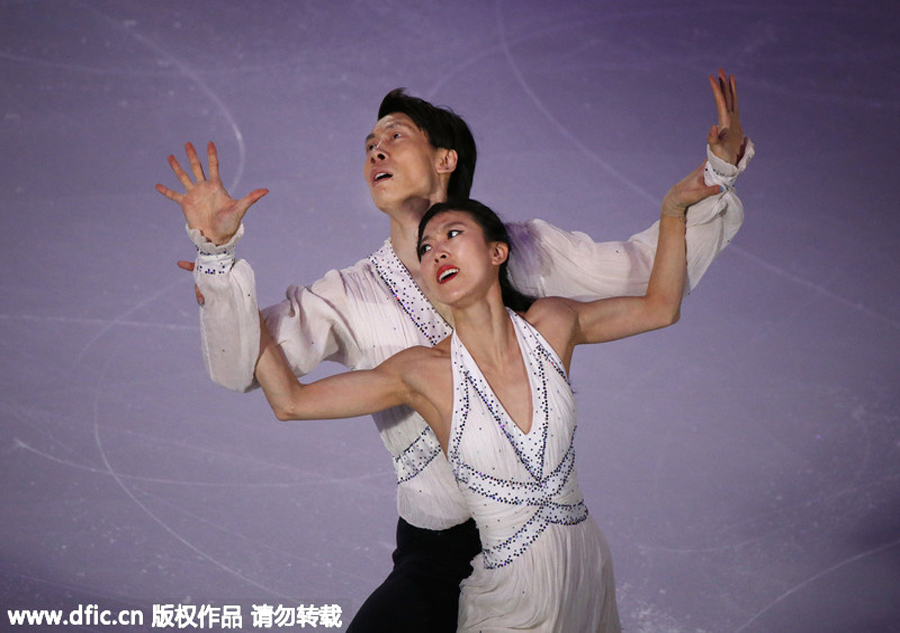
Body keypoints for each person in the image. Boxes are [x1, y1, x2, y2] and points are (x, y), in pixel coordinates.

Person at [157, 70, 752, 631]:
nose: (376, 152)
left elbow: (648, 284)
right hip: (441, 546)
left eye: (396, 136)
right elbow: (251, 372)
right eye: (369, 144)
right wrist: (218, 259)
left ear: (446, 160)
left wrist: (714, 178)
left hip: (559, 546)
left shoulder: (522, 251)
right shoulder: (349, 295)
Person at [253, 182, 720, 631]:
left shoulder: (552, 325)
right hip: (509, 599)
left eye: (452, 234)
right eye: (426, 248)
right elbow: (291, 402)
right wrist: (225, 270)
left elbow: (661, 307)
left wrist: (674, 208)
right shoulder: (423, 373)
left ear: (498, 252)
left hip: (586, 576)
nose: (436, 251)